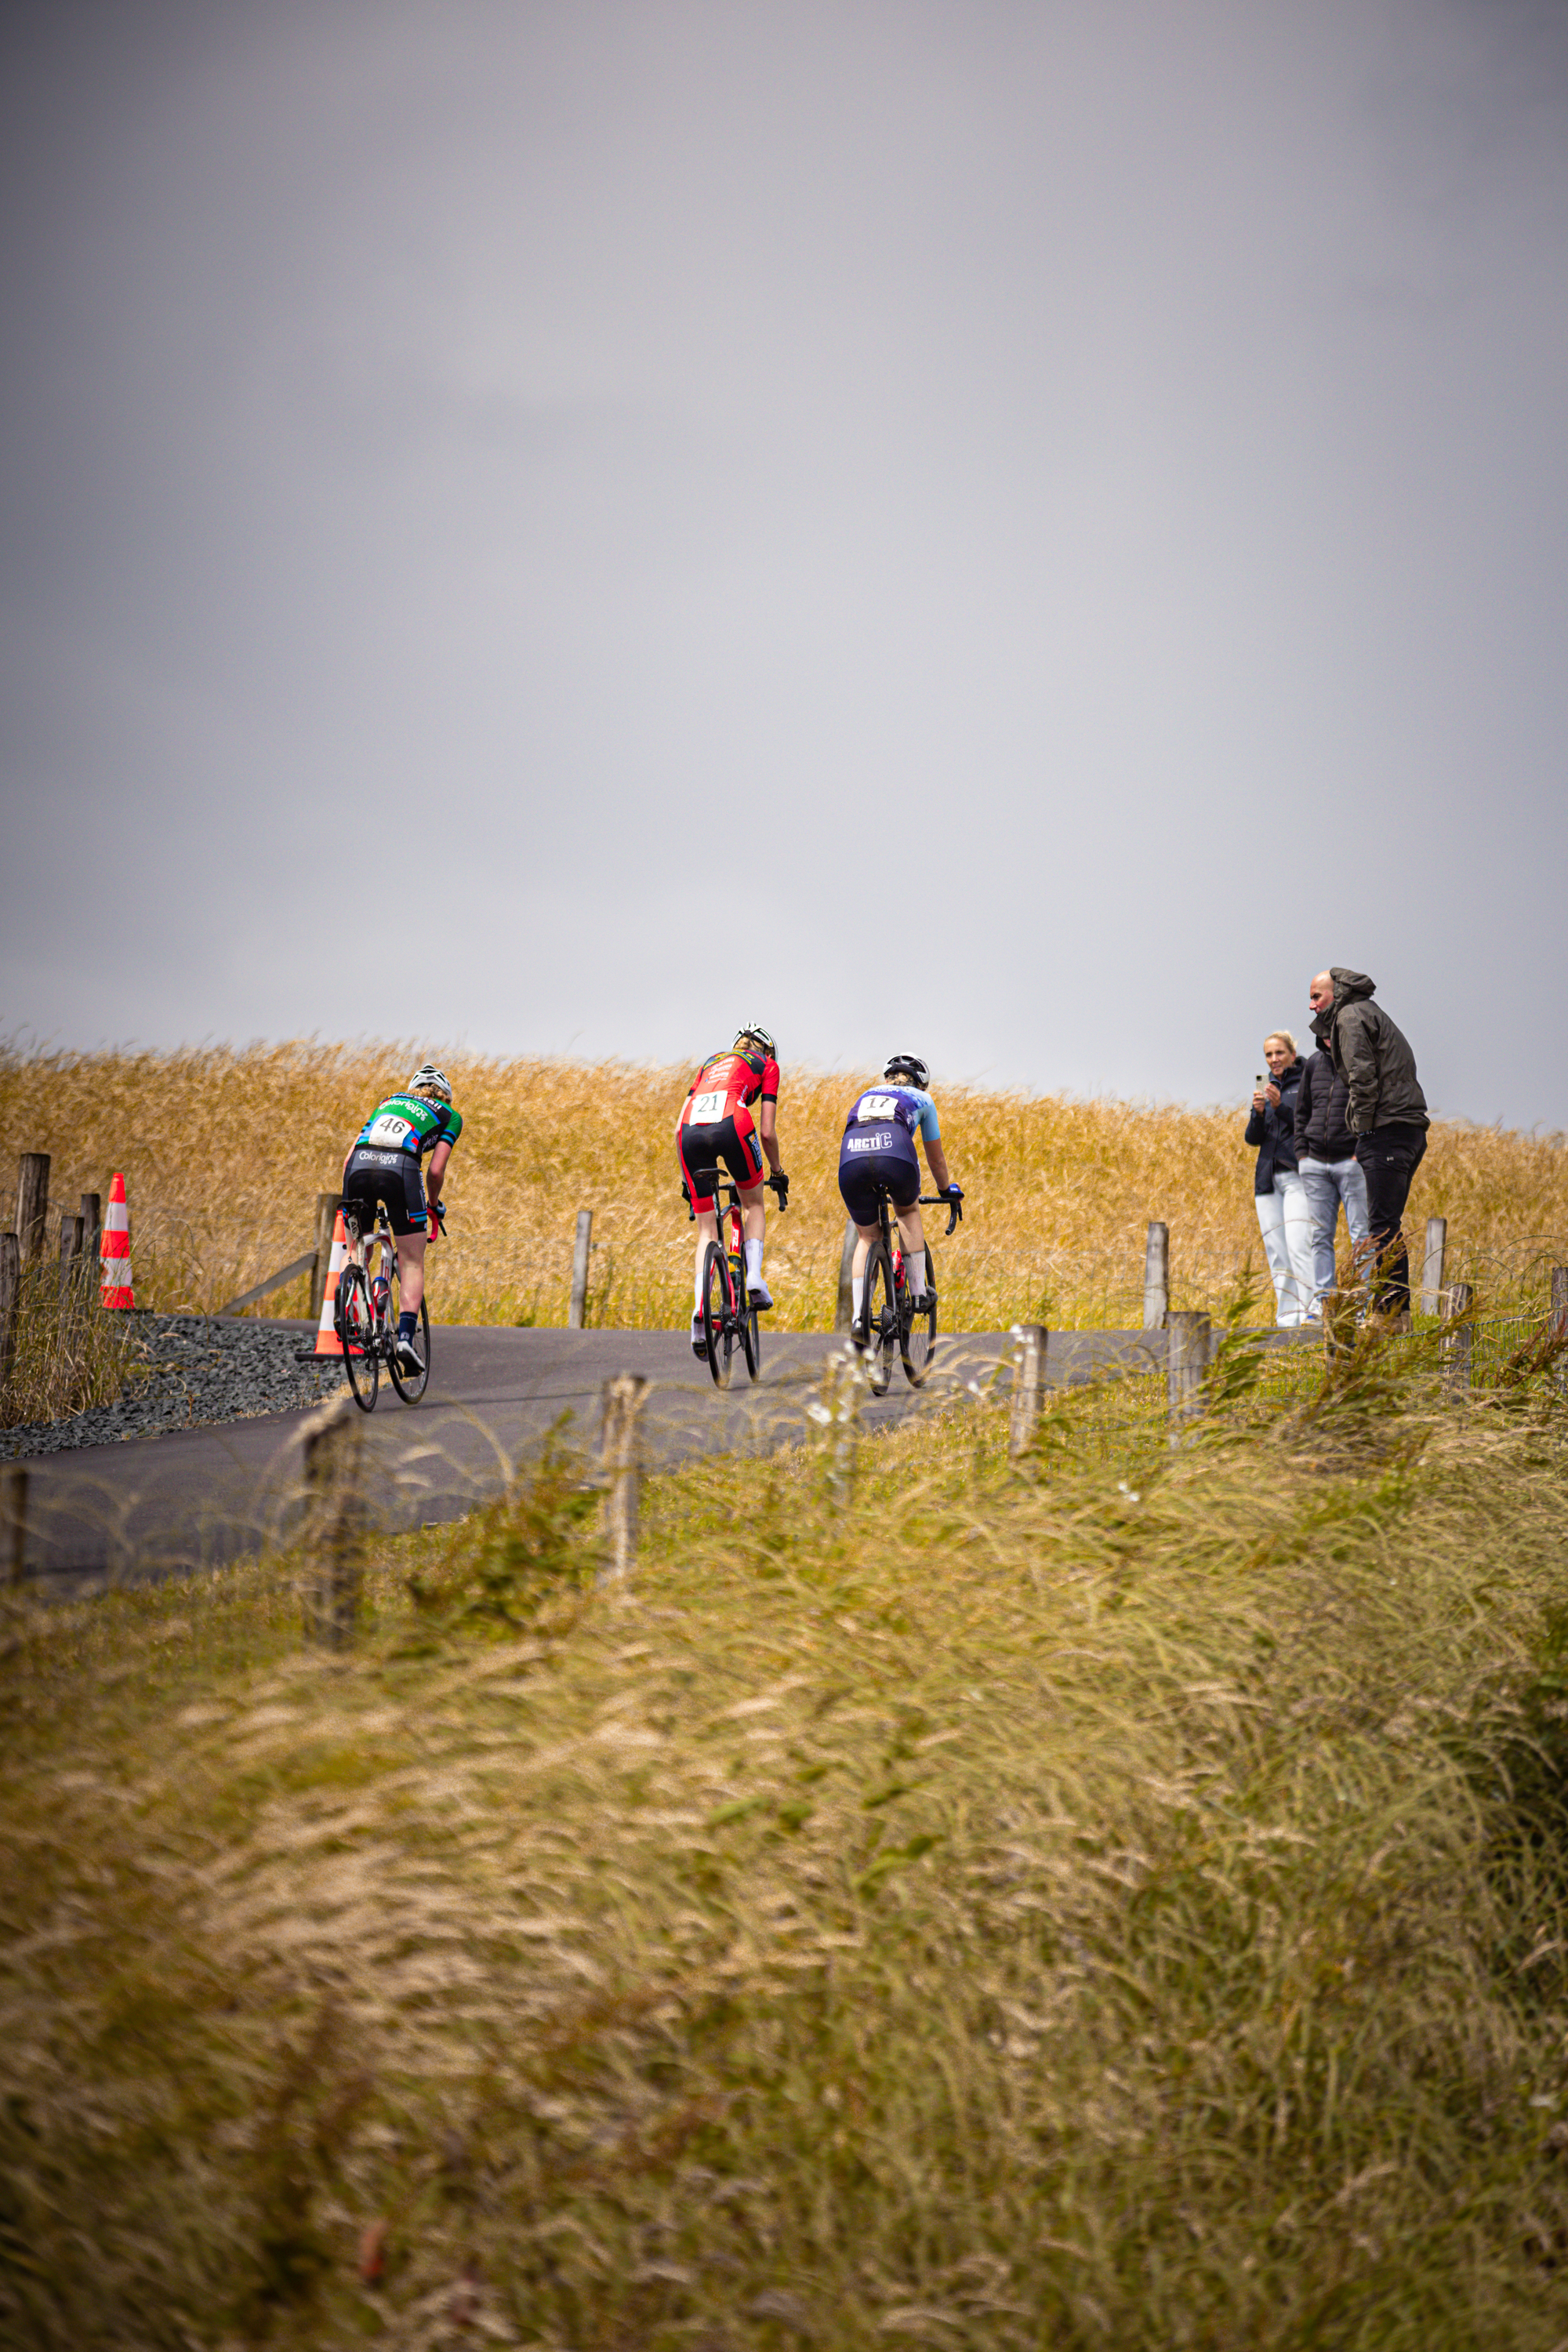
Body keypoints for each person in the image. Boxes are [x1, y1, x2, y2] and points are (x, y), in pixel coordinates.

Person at [1308, 968, 1428, 1328]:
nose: (1311, 1004)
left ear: (1337, 992)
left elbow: (1362, 1076)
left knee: (1382, 1226)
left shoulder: (1350, 1016)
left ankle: (1390, 1314)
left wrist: (1362, 1131)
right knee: (1385, 1224)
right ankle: (1394, 1312)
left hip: (1387, 1130)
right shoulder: (1367, 1011)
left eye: (1317, 996)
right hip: (1407, 1130)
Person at [341, 1063, 462, 1373]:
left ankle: (348, 1313)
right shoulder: (450, 1115)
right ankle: (405, 1339)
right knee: (411, 1261)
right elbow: (435, 1170)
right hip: (401, 1171)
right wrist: (433, 1207)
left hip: (357, 1168)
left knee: (356, 1249)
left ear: (412, 1090)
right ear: (445, 1096)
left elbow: (347, 1158)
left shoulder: (388, 1101)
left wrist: (349, 1202)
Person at [676, 1025, 787, 1358]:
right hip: (733, 1122)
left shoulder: (709, 1063)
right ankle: (753, 1276)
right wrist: (778, 1172)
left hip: (689, 1135)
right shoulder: (767, 1065)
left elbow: (678, 1121)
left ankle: (699, 1311)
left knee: (707, 1229)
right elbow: (766, 1132)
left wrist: (686, 1179)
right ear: (767, 1051)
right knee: (753, 1203)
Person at [837, 1055, 961, 1344]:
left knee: (867, 1237)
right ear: (921, 1083)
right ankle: (918, 1294)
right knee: (906, 1212)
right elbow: (936, 1159)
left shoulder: (865, 1094)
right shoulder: (922, 1099)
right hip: (894, 1149)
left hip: (852, 1155)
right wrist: (946, 1191)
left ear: (888, 1078)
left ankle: (859, 1316)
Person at [1293, 1019, 1371, 1318]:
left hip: (1350, 1163)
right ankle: (1323, 1305)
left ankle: (1360, 1307)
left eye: (1333, 1034)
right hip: (1315, 1163)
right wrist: (1302, 1155)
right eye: (1323, 1034)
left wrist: (1358, 1153)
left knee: (1361, 1236)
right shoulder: (1313, 1064)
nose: (1328, 1039)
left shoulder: (1360, 1064)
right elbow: (1302, 1111)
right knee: (1320, 1236)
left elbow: (1370, 1109)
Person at [1244, 1033, 1313, 1325]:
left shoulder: (1307, 1081)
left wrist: (1279, 1108)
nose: (1274, 1060)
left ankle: (1313, 1311)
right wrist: (1259, 1114)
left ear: (1292, 1053)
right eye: (1269, 1055)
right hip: (1267, 1180)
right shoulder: (1268, 1086)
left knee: (1300, 1244)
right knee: (1277, 1251)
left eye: (1279, 1053)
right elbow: (1252, 1138)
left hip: (1297, 1176)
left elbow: (1310, 1125)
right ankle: (1287, 1316)